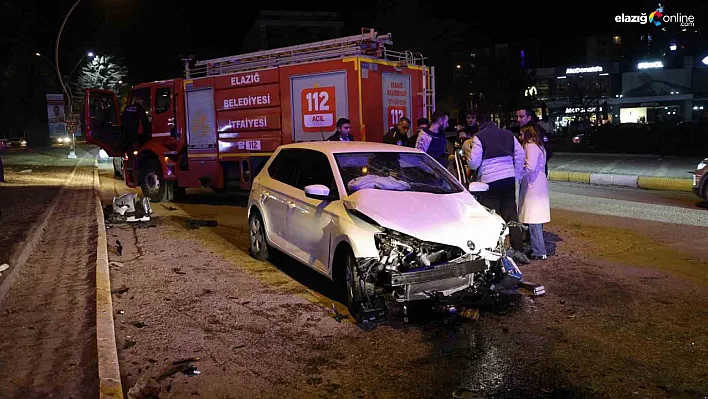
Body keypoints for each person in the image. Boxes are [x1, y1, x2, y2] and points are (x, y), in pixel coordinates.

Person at [465, 105, 529, 265]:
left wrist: (468, 159)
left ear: (479, 122)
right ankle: (518, 249)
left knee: (490, 215)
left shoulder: (479, 137)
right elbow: (520, 154)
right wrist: (515, 173)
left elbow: (473, 164)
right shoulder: (508, 134)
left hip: (490, 182)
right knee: (510, 214)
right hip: (508, 180)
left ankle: (491, 250)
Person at [518, 124, 550, 260]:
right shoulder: (539, 145)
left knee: (533, 219)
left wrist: (518, 173)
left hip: (533, 184)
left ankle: (538, 251)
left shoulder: (530, 146)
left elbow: (530, 167)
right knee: (536, 218)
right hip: (539, 182)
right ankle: (537, 248)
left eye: (521, 134)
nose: (519, 137)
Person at [516, 107, 552, 175]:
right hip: (528, 173)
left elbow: (548, 150)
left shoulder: (537, 131)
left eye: (521, 117)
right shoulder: (521, 130)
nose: (518, 119)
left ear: (529, 117)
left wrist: (539, 164)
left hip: (536, 174)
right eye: (517, 116)